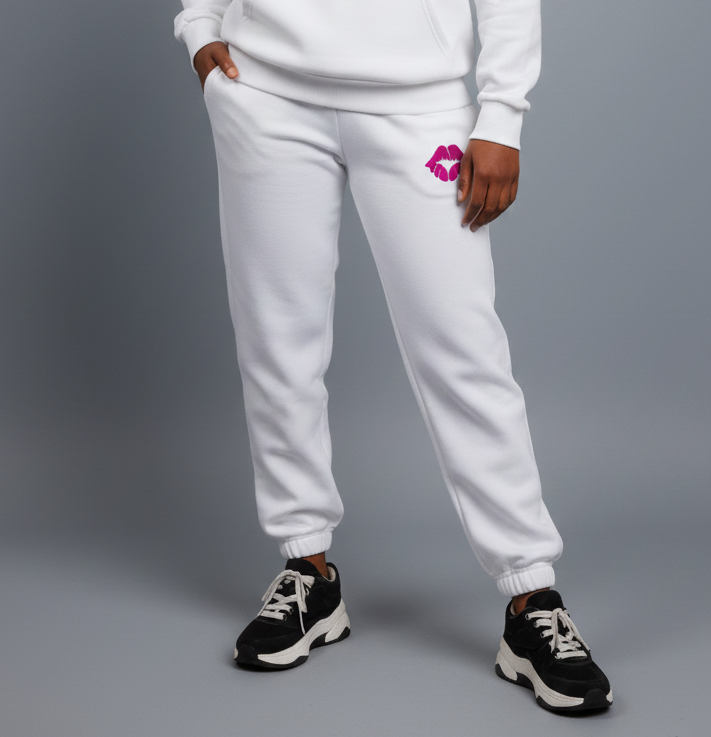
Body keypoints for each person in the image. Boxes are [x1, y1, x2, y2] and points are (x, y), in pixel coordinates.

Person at [174, 0, 612, 712]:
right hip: (264, 93)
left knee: (462, 352)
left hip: (419, 101)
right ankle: (308, 571)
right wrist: (199, 22)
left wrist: (501, 114)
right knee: (276, 343)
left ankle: (531, 595)